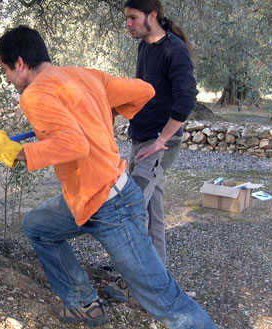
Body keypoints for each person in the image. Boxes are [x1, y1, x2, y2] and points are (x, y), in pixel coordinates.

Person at [0, 25, 215, 329]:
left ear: (20, 63)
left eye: (6, 71)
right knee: (37, 226)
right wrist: (97, 111)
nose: (9, 80)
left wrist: (15, 152)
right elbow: (144, 90)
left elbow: (73, 145)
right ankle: (82, 304)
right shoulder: (83, 75)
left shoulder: (35, 94)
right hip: (86, 199)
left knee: (163, 299)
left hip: (112, 205)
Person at [105, 0, 198, 303]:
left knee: (130, 207)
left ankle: (137, 284)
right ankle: (157, 281)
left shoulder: (174, 50)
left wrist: (162, 141)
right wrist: (116, 108)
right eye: (127, 18)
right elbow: (141, 91)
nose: (127, 24)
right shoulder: (145, 47)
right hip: (140, 140)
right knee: (150, 210)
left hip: (158, 145)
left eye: (133, 18)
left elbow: (186, 99)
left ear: (152, 16)